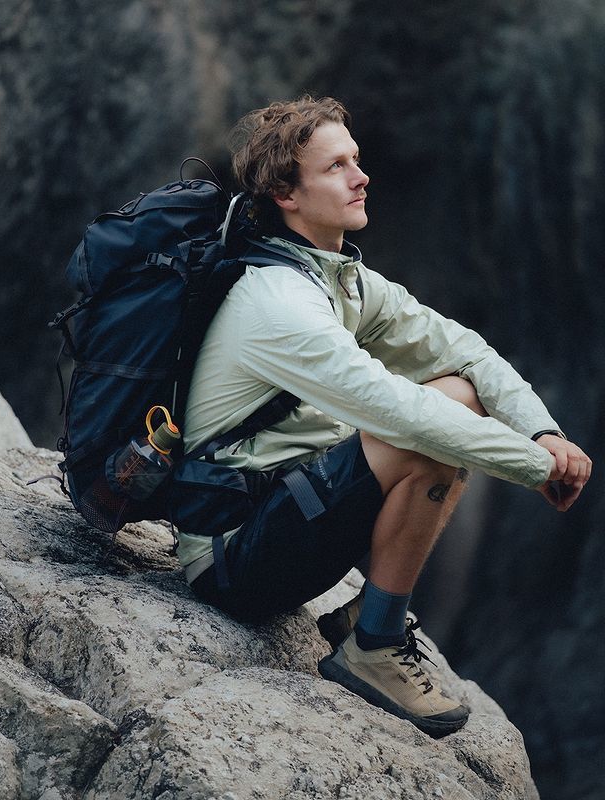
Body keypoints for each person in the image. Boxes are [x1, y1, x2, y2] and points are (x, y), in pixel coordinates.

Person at [177, 96, 591, 737]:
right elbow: (402, 414)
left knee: (457, 392)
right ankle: (374, 643)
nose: (361, 176)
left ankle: (369, 613)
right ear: (286, 194)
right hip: (233, 561)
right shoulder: (277, 300)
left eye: (357, 159)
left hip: (289, 517)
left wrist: (543, 432)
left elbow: (465, 351)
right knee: (426, 431)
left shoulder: (339, 278)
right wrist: (533, 466)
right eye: (336, 167)